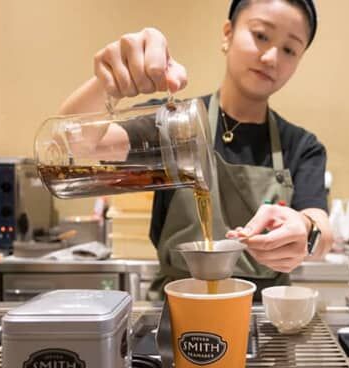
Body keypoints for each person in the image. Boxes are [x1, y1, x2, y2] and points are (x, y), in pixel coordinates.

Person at [58, 0, 333, 299]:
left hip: (264, 312)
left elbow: (322, 231)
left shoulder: (301, 146)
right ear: (228, 34)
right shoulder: (175, 124)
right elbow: (76, 145)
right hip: (178, 306)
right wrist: (110, 82)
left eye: (289, 50)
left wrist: (306, 230)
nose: (271, 57)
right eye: (261, 35)